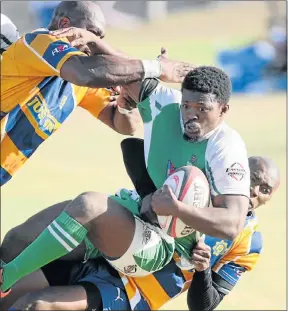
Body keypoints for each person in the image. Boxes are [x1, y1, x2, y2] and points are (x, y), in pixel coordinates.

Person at [0, 59, 252, 297]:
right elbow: (122, 68)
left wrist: (177, 208)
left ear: (223, 109)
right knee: (16, 240)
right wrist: (92, 41)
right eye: (187, 105)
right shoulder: (165, 103)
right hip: (130, 209)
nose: (190, 114)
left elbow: (232, 224)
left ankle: (6, 277)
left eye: (202, 108)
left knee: (89, 205)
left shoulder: (226, 146)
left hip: (161, 246)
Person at [2, 154, 280, 311]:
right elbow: (132, 150)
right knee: (13, 253)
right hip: (104, 256)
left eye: (265, 189)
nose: (255, 191)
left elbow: (203, 307)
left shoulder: (248, 243)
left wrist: (202, 269)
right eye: (252, 179)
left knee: (34, 305)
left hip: (128, 291)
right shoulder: (196, 187)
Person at [0, 0, 190, 186]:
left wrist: (126, 106)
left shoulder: (78, 78)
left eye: (100, 38)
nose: (95, 43)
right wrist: (156, 67)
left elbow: (124, 126)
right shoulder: (36, 43)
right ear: (65, 24)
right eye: (92, 33)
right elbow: (85, 73)